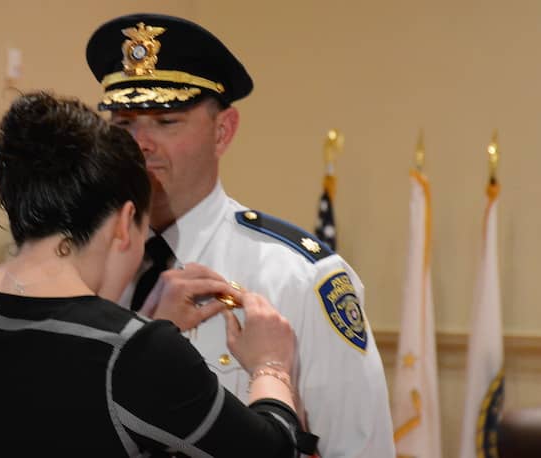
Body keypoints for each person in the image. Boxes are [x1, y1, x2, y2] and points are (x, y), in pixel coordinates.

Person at [0, 92, 319, 457]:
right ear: (124, 221)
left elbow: (55, 392)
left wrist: (148, 334)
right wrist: (270, 366)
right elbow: (273, 450)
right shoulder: (135, 353)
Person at [86, 13, 396, 457]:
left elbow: (357, 447)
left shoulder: (299, 276)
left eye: (166, 122)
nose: (141, 143)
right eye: (124, 124)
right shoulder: (84, 264)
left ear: (223, 131)